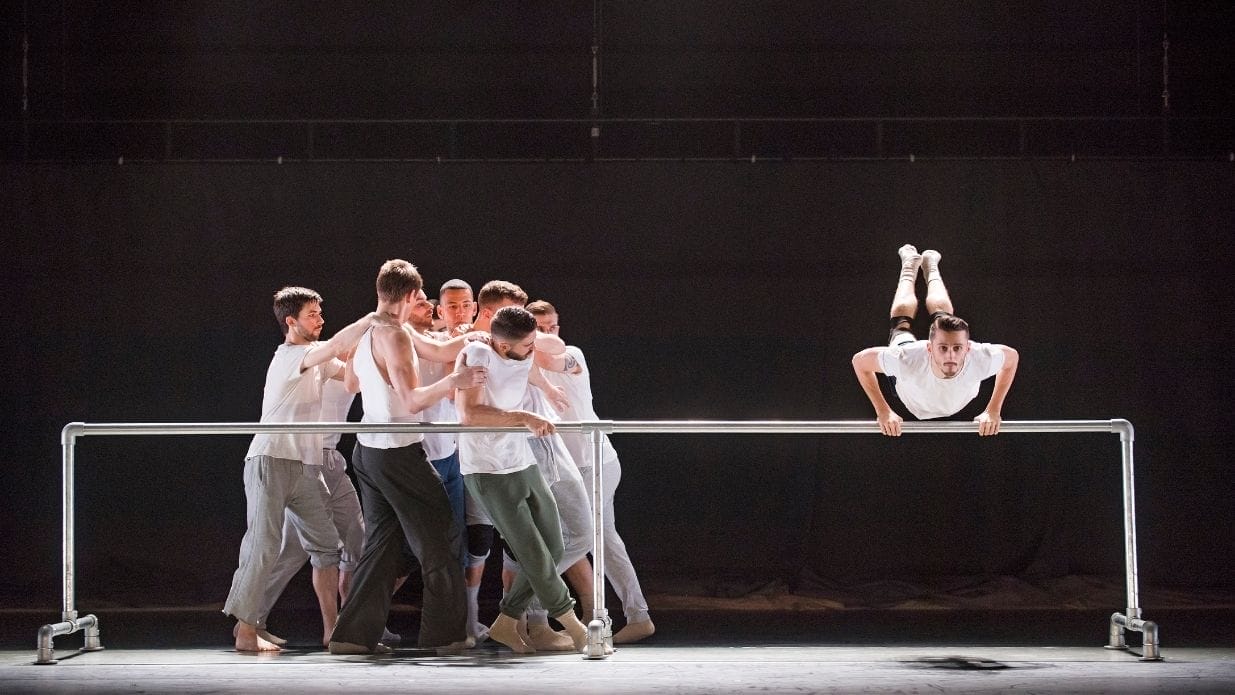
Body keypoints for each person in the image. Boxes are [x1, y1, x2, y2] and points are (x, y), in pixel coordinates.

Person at [326, 259, 486, 655]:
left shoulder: (372, 330)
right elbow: (413, 401)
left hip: (370, 453)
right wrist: (456, 380)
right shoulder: (395, 337)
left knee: (383, 544)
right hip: (397, 452)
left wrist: (473, 337)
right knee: (443, 537)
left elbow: (436, 347)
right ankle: (446, 637)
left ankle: (350, 637)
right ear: (414, 295)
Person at [224, 287, 379, 652]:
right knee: (264, 544)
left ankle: (333, 629)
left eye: (320, 313)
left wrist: (373, 344)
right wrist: (371, 320)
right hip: (271, 460)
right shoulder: (292, 355)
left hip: (305, 467)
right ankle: (246, 630)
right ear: (291, 321)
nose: (320, 320)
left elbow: (354, 379)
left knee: (326, 545)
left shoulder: (317, 357)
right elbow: (331, 347)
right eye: (312, 314)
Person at [455, 305, 591, 653]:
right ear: (503, 346)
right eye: (528, 345)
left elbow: (547, 356)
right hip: (488, 469)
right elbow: (469, 413)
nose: (534, 350)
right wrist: (524, 416)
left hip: (521, 460)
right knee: (532, 553)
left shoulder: (518, 353)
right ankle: (575, 627)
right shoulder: (479, 354)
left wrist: (547, 388)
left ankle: (505, 621)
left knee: (555, 545)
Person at [527, 300, 656, 643]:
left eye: (551, 325)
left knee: (581, 539)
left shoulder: (572, 354)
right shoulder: (523, 365)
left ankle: (527, 607)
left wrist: (527, 338)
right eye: (538, 326)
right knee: (601, 541)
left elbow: (551, 353)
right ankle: (637, 615)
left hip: (594, 463)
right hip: (567, 467)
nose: (547, 332)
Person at [851, 245, 1020, 436]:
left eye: (958, 348)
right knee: (901, 323)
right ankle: (909, 267)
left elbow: (1012, 358)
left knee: (944, 319)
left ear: (968, 349)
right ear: (929, 348)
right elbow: (860, 362)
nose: (951, 355)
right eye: (942, 348)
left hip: (936, 388)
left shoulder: (981, 356)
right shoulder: (907, 358)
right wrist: (883, 411)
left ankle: (931, 267)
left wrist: (994, 410)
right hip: (911, 388)